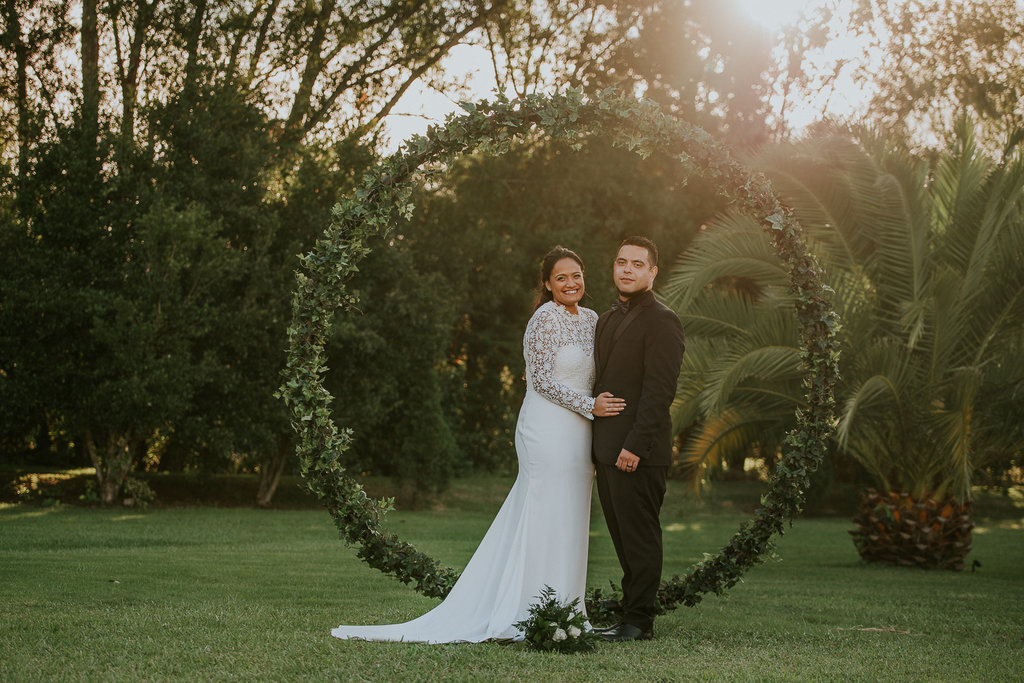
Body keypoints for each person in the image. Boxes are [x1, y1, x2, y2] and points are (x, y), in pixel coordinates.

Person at [330, 246, 625, 643]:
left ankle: (567, 611)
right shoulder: (543, 319)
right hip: (547, 427)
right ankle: (526, 609)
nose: (571, 283)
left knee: (571, 515)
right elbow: (540, 381)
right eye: (561, 278)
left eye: (576, 275)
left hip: (580, 433)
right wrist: (591, 405)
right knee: (543, 512)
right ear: (547, 284)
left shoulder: (591, 319)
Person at [592, 236, 686, 642]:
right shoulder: (608, 318)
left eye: (636, 264)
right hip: (607, 450)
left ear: (652, 272)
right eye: (621, 262)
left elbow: (659, 391)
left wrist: (635, 445)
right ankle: (629, 612)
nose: (627, 269)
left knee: (641, 538)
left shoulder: (663, 320)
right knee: (623, 539)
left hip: (637, 453)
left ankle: (638, 623)